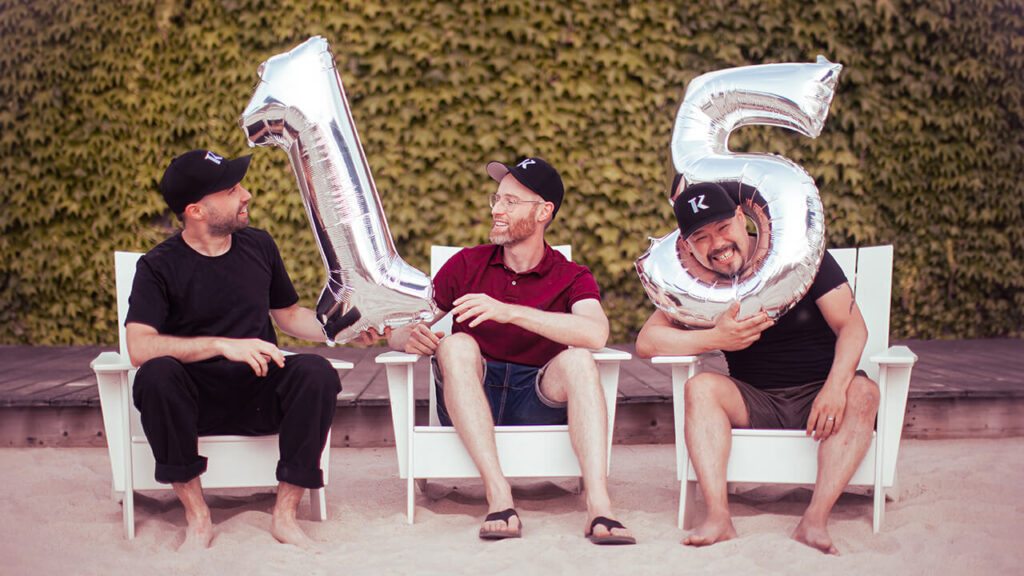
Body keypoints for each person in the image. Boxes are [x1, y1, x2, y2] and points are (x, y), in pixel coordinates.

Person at [386, 157, 635, 545]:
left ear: (543, 212)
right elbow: (398, 329)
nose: (497, 210)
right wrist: (407, 337)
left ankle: (599, 506)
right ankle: (499, 495)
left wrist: (509, 312)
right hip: (471, 393)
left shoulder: (572, 275)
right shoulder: (465, 264)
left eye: (511, 202)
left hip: (537, 400)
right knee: (456, 344)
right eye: (497, 199)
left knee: (580, 360)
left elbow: (595, 332)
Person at [635, 181, 879, 555]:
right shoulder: (697, 281)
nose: (717, 244)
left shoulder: (797, 253)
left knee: (864, 392)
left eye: (723, 227)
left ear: (741, 216)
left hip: (820, 392)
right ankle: (718, 518)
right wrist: (716, 337)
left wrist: (834, 388)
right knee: (700, 388)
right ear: (685, 245)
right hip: (755, 400)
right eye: (701, 237)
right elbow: (647, 342)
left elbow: (853, 328)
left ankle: (814, 521)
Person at [125, 149, 341, 551]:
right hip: (194, 404)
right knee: (155, 376)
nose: (247, 195)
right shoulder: (158, 266)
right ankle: (198, 517)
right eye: (231, 190)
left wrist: (344, 330)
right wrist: (222, 345)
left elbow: (289, 315)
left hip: (258, 394)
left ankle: (285, 516)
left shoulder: (259, 245)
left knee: (317, 373)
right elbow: (139, 346)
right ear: (196, 211)